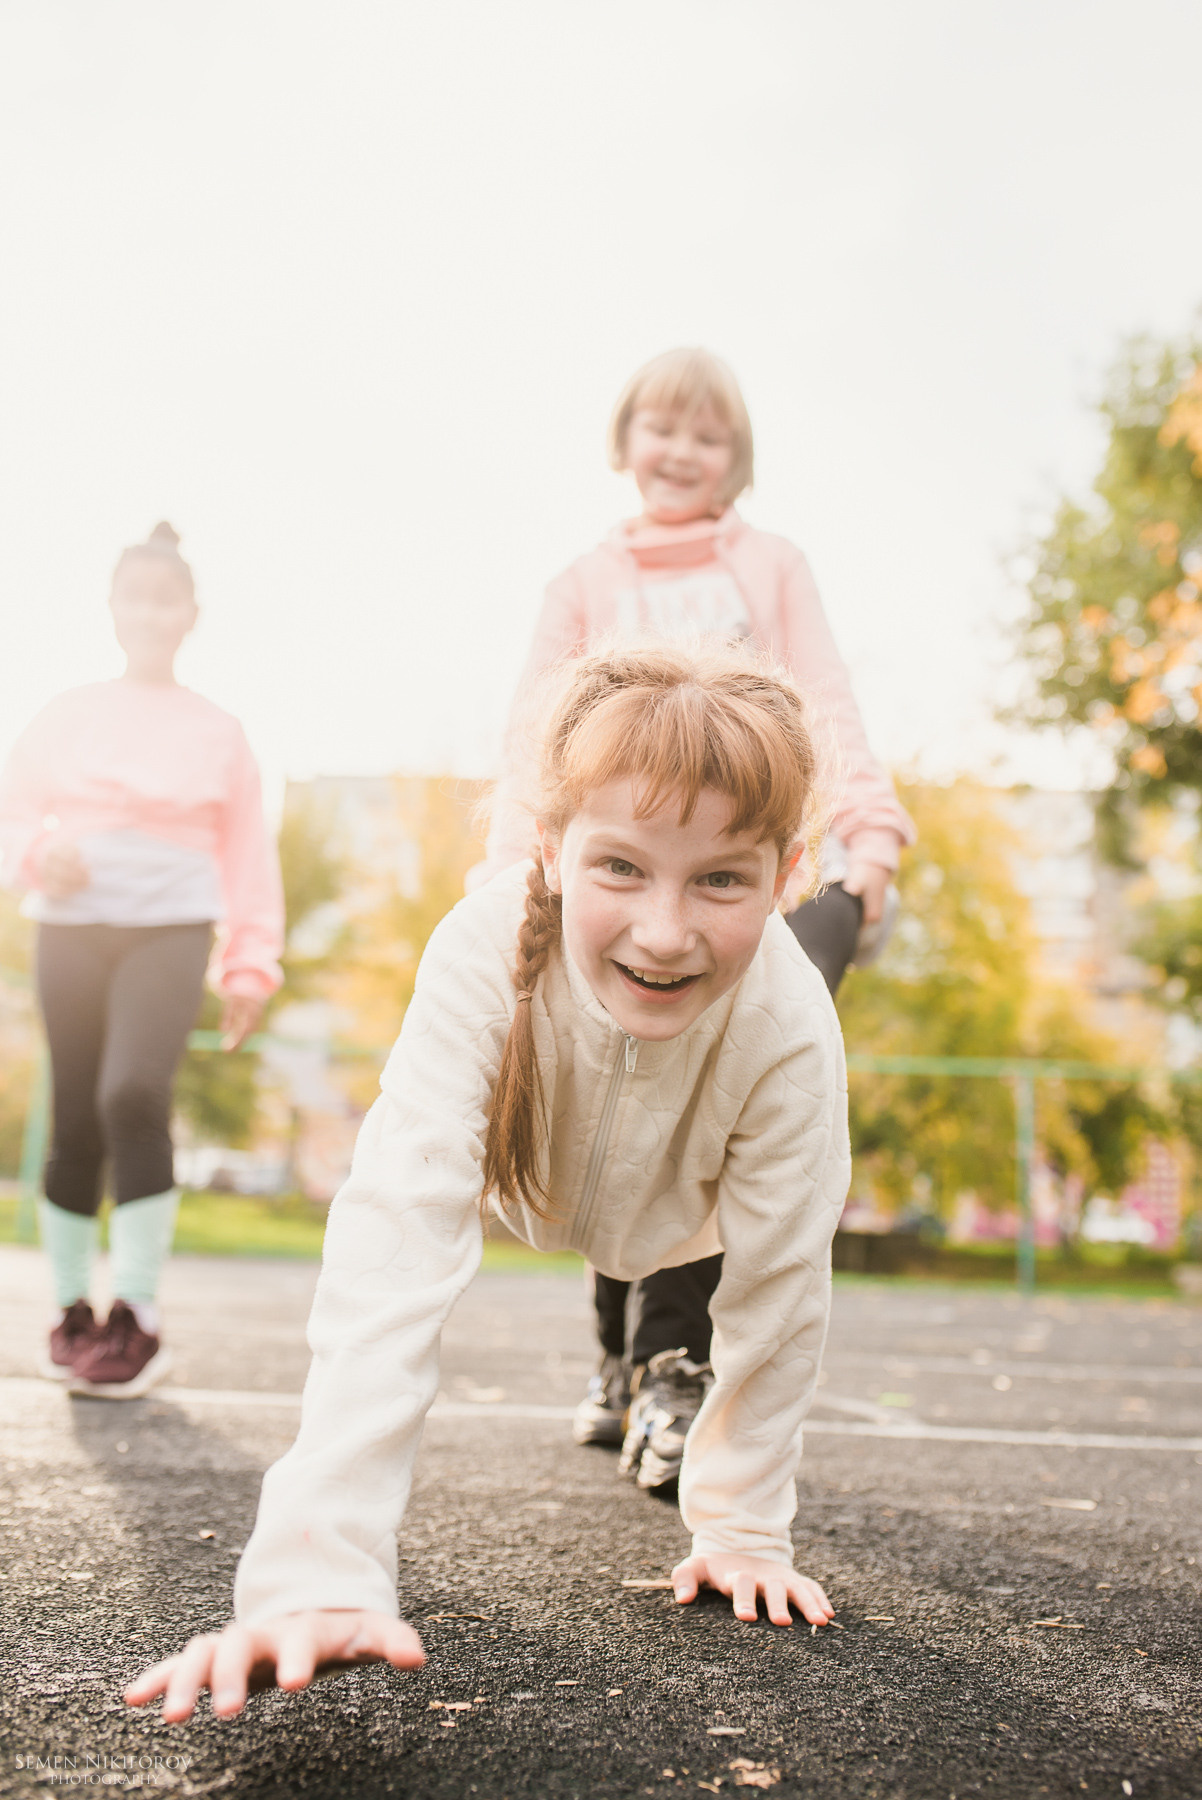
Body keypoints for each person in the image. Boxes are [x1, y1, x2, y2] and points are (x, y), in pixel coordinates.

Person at [124, 641, 846, 1721]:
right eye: (620, 867)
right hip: (530, 1182)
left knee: (702, 1296)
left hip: (682, 1220)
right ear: (548, 849)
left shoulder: (791, 1025)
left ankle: (640, 1365)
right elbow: (392, 1246)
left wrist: (741, 1528)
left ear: (786, 878)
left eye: (721, 880)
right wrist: (317, 1573)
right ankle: (617, 1367)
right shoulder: (476, 950)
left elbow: (781, 1285)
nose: (662, 930)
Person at [471, 347, 914, 1481]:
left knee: (719, 1084)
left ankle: (675, 1366)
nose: (680, 451)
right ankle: (619, 1355)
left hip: (749, 872)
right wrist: (510, 867)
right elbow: (533, 733)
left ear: (738, 459)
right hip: (631, 873)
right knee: (625, 1090)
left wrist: (870, 836)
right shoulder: (580, 583)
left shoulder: (767, 566)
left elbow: (823, 699)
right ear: (624, 442)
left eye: (706, 436)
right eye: (660, 428)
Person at [0, 522, 284, 1399]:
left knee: (132, 1093)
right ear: (113, 608)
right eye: (136, 596)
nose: (151, 613)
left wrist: (249, 964)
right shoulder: (68, 712)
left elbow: (247, 853)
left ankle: (138, 1315)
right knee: (77, 1111)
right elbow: (14, 812)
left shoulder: (218, 730)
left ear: (190, 614)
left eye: (167, 599)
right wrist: (36, 855)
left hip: (171, 928)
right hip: (73, 925)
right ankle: (72, 1312)